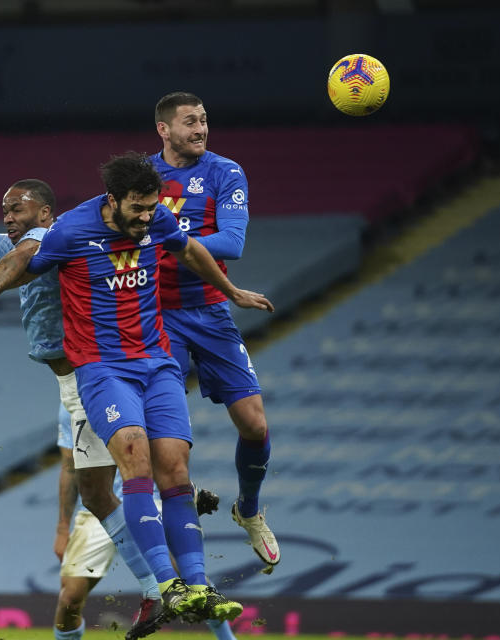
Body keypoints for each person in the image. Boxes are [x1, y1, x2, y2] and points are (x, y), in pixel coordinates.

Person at [0, 152, 273, 622]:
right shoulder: (72, 230)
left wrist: (231, 291)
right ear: (113, 200)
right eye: (137, 209)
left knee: (176, 470)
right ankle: (165, 585)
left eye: (151, 208)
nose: (147, 218)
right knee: (133, 459)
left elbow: (189, 249)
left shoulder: (157, 218)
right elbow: (20, 258)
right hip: (103, 369)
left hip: (157, 362)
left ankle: (199, 588)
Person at [0, 155, 165, 639]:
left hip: (93, 376)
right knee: (96, 493)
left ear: (44, 213)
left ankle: (163, 580)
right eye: (4, 208)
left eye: (17, 208)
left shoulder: (52, 236)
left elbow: (15, 263)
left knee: (109, 487)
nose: (8, 216)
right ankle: (158, 584)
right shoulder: (23, 239)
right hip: (72, 384)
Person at [150, 92, 279, 572]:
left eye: (204, 119)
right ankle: (178, 505)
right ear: (164, 129)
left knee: (255, 424)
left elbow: (232, 242)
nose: (201, 128)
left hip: (209, 311)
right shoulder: (142, 177)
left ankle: (247, 509)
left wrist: (164, 240)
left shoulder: (226, 172)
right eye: (189, 122)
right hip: (157, 314)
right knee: (166, 434)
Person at [54, 405, 239, 640]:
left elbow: (169, 454)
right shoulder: (73, 400)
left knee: (185, 579)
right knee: (70, 598)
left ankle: (226, 637)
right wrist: (62, 528)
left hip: (146, 500)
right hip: (96, 510)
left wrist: (187, 492)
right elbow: (70, 467)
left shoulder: (139, 386)